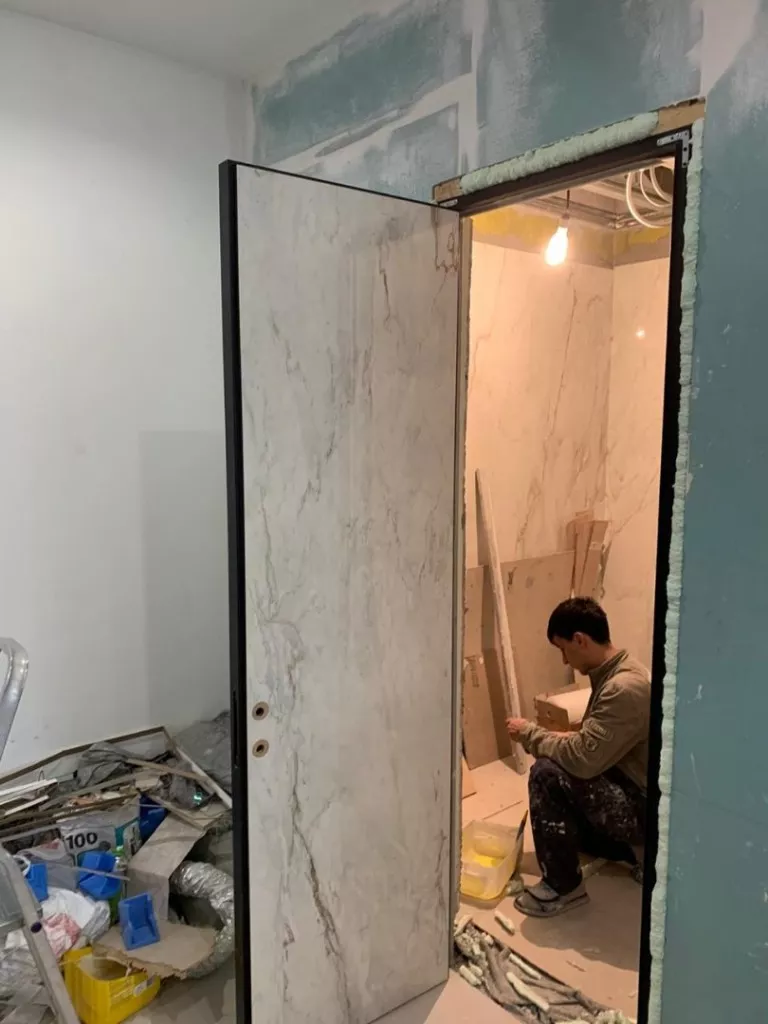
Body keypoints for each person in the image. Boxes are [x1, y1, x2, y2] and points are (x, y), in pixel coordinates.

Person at [506, 597, 651, 917]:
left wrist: (530, 734)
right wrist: (557, 739)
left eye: (563, 650)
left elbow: (584, 758)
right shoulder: (616, 672)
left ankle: (564, 887)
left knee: (546, 773)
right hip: (632, 785)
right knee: (563, 789)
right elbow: (592, 742)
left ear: (580, 640)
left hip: (641, 807)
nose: (564, 660)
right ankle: (632, 851)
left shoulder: (623, 688)